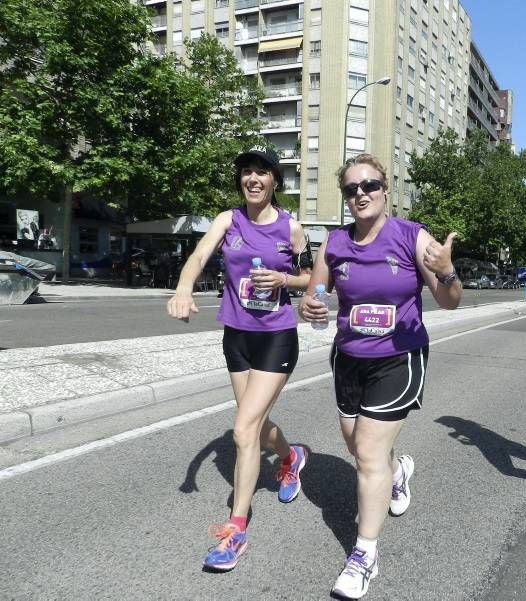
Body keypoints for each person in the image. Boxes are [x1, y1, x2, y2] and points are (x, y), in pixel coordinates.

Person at [298, 153, 462, 599]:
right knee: (357, 447)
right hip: (349, 358)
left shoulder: (411, 236)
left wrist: (445, 270)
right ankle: (397, 475)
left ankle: (364, 555)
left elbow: (450, 301)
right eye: (351, 189)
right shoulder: (333, 243)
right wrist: (309, 305)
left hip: (399, 357)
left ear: (385, 189)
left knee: (368, 453)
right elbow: (314, 293)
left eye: (369, 185)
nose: (360, 194)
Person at [166, 145, 313, 571]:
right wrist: (183, 288)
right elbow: (197, 257)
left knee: (243, 428)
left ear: (274, 182)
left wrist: (285, 277)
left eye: (262, 173)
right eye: (247, 172)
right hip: (237, 336)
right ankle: (290, 458)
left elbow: (311, 277)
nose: (253, 179)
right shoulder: (227, 221)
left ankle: (236, 529)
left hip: (276, 337)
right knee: (256, 425)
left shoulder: (292, 227)